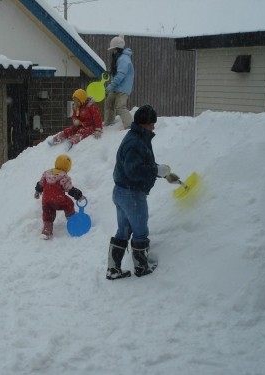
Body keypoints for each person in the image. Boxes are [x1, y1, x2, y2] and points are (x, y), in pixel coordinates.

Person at [106, 105, 180, 280]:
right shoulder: (135, 142)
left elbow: (139, 165)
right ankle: (141, 266)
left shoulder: (137, 137)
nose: (154, 127)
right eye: (151, 124)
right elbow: (133, 171)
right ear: (144, 124)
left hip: (121, 192)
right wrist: (155, 170)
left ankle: (113, 269)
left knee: (123, 231)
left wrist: (162, 173)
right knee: (140, 231)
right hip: (132, 195)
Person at [34, 154, 84, 240]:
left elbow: (40, 184)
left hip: (46, 200)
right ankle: (71, 218)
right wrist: (78, 195)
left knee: (48, 214)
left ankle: (47, 231)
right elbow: (70, 189)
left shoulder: (46, 173)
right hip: (59, 200)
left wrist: (37, 191)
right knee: (69, 203)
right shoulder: (64, 176)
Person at [104, 35, 135, 130]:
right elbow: (117, 73)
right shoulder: (119, 58)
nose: (112, 52)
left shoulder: (124, 59)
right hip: (116, 88)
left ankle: (130, 126)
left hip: (123, 89)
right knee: (109, 103)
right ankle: (109, 123)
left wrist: (111, 85)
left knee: (120, 106)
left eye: (114, 49)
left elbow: (121, 75)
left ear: (118, 49)